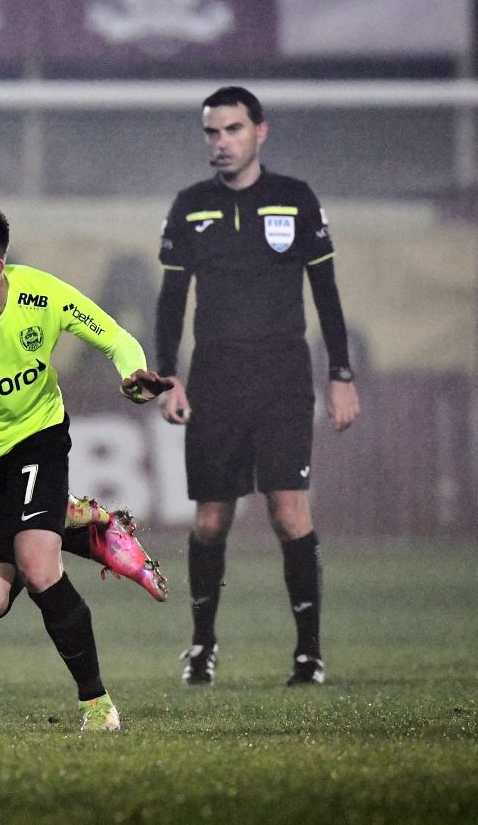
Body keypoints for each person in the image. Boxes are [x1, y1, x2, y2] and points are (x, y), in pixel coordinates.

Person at [0, 205, 172, 733]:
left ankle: (97, 706)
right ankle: (79, 525)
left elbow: (112, 336)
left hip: (35, 440)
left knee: (39, 569)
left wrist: (131, 371)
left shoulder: (42, 295)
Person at [154, 86, 361, 687]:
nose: (221, 143)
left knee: (289, 511)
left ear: (260, 132)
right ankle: (202, 647)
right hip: (215, 380)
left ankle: (309, 653)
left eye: (233, 130)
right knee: (212, 521)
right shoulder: (190, 206)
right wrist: (169, 375)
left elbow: (327, 296)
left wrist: (341, 375)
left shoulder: (294, 201)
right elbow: (171, 301)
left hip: (283, 381)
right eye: (212, 133)